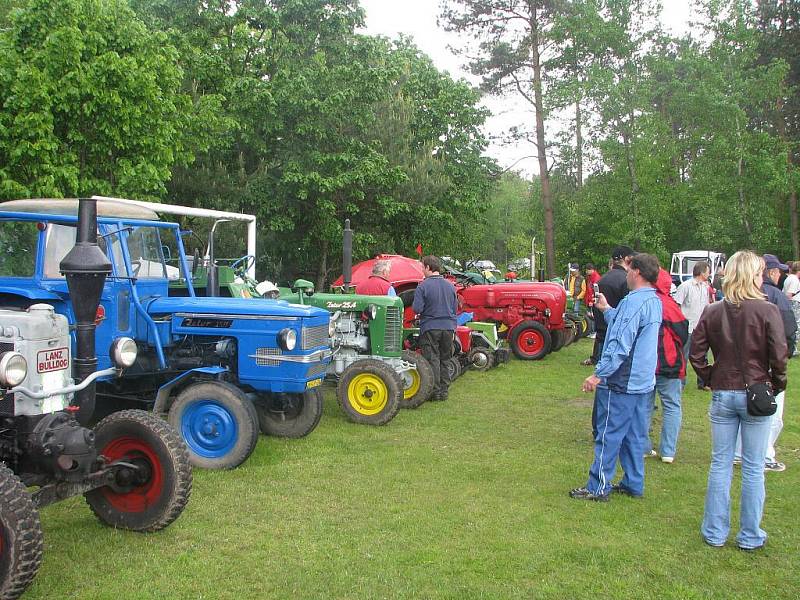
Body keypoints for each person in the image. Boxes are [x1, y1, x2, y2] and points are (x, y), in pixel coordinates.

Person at [690, 251, 787, 550]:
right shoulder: (766, 310)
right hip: (755, 391)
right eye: (758, 273)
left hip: (724, 391)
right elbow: (779, 356)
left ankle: (716, 532)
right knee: (753, 466)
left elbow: (696, 353)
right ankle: (749, 534)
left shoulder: (713, 310)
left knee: (721, 463)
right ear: (752, 276)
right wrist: (775, 384)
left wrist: (709, 377)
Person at [570, 253, 662, 501]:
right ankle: (633, 482)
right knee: (634, 436)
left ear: (637, 273)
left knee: (608, 434)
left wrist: (599, 374)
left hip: (622, 383)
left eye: (629, 269)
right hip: (643, 383)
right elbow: (627, 326)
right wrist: (608, 310)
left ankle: (597, 486)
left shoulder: (634, 302)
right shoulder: (653, 301)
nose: (626, 273)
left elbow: (621, 344)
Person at [644, 269, 689, 464]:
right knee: (671, 406)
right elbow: (682, 333)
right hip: (669, 364)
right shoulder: (669, 305)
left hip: (646, 364)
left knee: (644, 406)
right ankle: (668, 450)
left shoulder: (641, 302)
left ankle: (643, 446)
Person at [412, 256, 458, 401]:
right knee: (445, 359)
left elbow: (417, 308)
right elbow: (455, 308)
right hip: (449, 327)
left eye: (422, 268)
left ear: (428, 267)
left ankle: (434, 391)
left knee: (432, 359)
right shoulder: (451, 286)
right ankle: (444, 391)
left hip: (430, 326)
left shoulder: (423, 286)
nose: (422, 271)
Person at [582, 246, 634, 367]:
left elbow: (597, 304)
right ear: (626, 259)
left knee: (603, 373)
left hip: (602, 331)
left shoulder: (602, 279)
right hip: (618, 334)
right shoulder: (627, 281)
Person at [674, 261, 713, 390]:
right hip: (688, 327)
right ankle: (681, 383)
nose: (709, 273)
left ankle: (703, 383)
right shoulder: (685, 286)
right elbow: (677, 305)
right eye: (707, 271)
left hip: (700, 327)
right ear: (702, 272)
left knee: (702, 356)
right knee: (683, 356)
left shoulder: (705, 287)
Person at [782, 260, 800, 356]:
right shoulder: (794, 279)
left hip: (791, 303)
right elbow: (789, 294)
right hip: (794, 303)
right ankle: (793, 348)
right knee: (796, 325)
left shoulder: (789, 278)